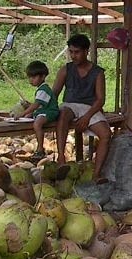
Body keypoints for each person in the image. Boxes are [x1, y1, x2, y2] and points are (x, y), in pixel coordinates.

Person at [52, 34, 111, 182]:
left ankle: (96, 174)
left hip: (89, 107)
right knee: (64, 114)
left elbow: (100, 100)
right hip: (69, 105)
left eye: (77, 52)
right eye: (71, 52)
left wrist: (87, 117)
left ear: (86, 51)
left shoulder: (98, 72)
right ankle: (61, 159)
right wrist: (39, 108)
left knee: (105, 134)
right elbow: (54, 94)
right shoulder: (65, 70)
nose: (73, 55)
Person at [18, 61, 60, 162]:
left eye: (33, 77)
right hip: (43, 110)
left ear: (42, 76)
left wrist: (22, 113)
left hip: (50, 111)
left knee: (37, 124)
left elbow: (36, 104)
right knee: (29, 116)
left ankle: (40, 148)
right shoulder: (41, 89)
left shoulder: (44, 89)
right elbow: (38, 104)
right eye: (29, 77)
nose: (31, 80)